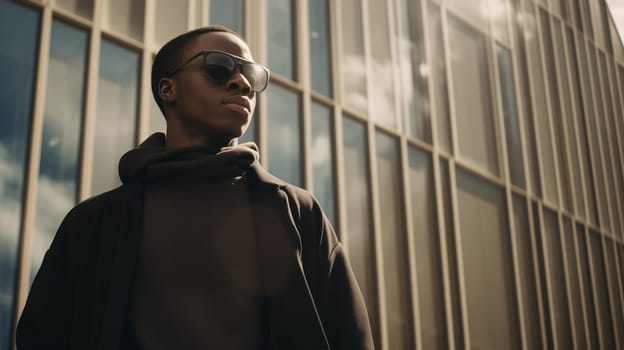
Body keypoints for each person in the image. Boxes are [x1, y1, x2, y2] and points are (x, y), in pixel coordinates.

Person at [16, 25, 373, 349]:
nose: (242, 83)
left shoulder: (298, 211)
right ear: (168, 88)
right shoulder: (93, 222)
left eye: (251, 74)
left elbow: (349, 336)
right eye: (219, 66)